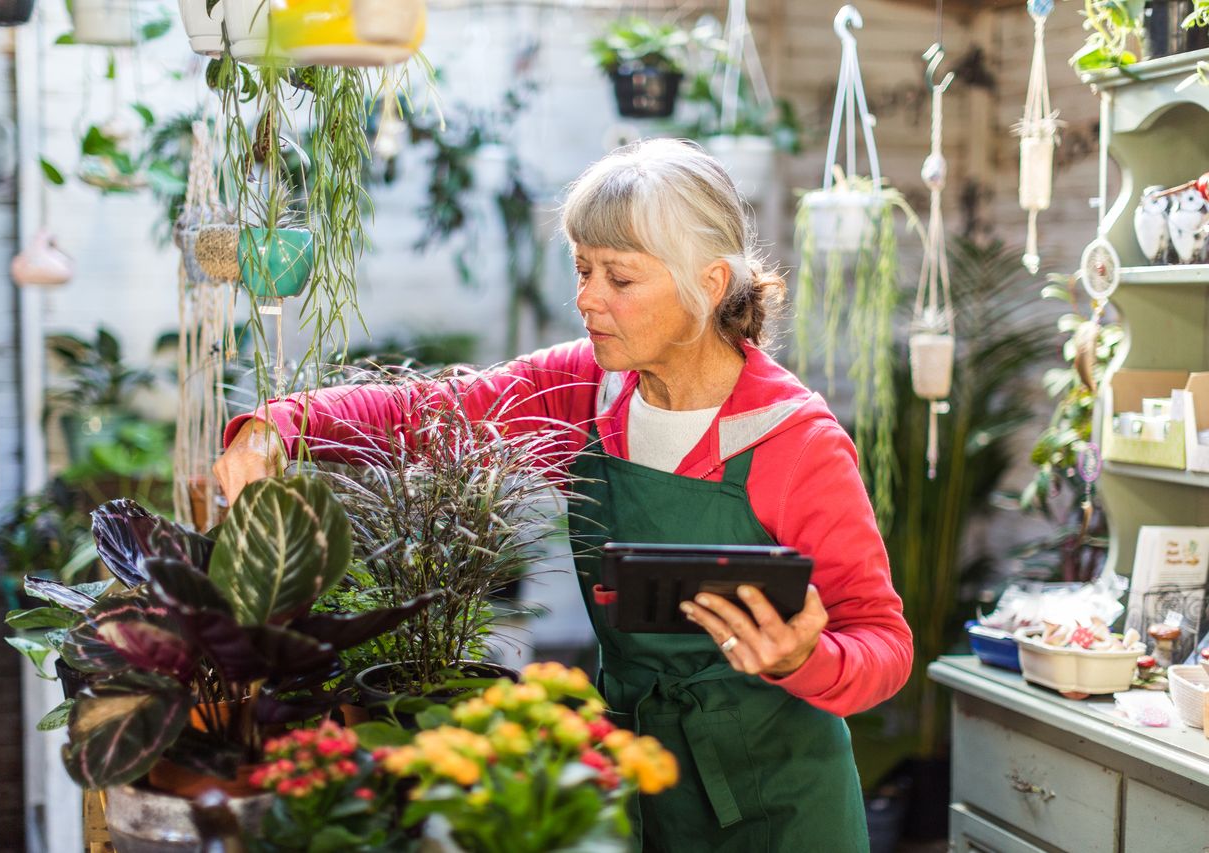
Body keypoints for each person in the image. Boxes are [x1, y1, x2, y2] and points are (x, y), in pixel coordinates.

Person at [214, 138, 912, 852]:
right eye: (583, 269)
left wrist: (803, 659)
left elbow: (883, 643)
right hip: (636, 778)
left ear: (707, 282)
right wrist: (280, 425)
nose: (586, 299)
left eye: (620, 278)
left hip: (780, 803)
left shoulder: (794, 441)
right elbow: (433, 409)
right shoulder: (586, 389)